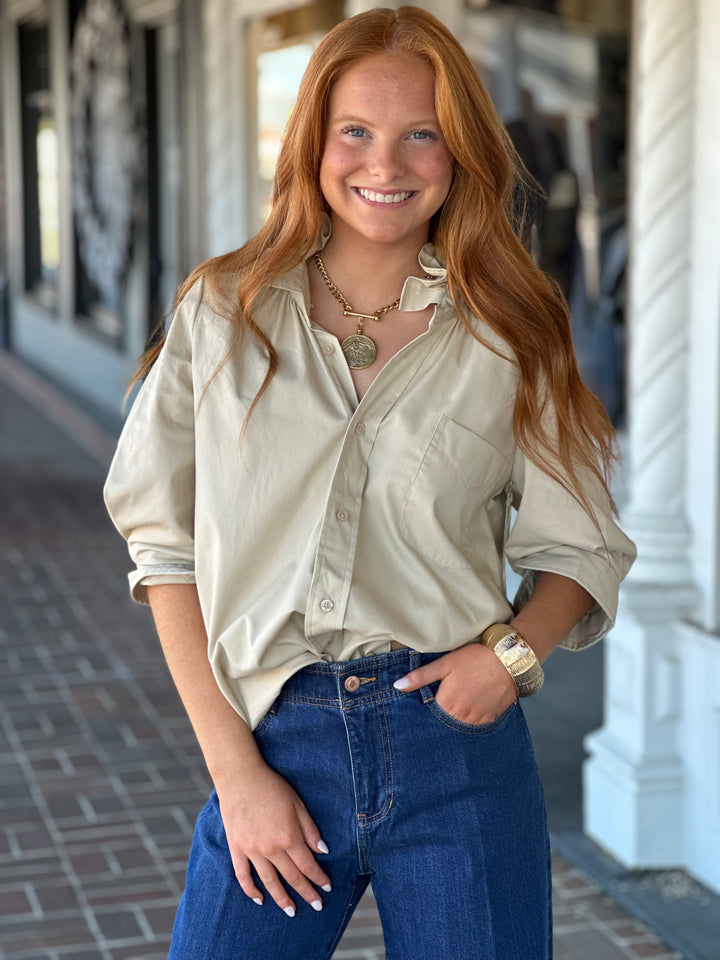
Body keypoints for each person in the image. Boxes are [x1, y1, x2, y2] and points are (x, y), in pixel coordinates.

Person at [104, 6, 635, 959]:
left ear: (460, 150)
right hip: (274, 740)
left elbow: (581, 547)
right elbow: (165, 550)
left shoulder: (513, 330)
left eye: (420, 134)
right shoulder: (223, 312)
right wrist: (236, 773)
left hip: (457, 746)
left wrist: (511, 660)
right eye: (355, 131)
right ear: (313, 144)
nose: (384, 165)